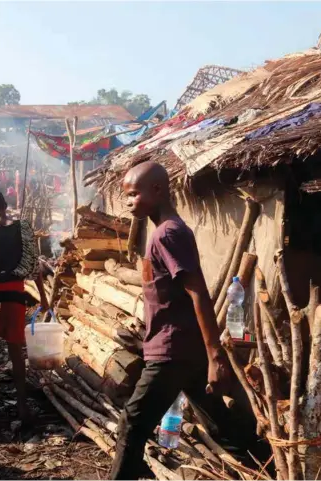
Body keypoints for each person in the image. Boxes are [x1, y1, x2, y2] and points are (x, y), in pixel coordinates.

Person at [110, 161, 232, 480]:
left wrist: (215, 354)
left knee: (132, 422)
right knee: (224, 427)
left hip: (173, 352)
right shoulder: (163, 232)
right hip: (181, 350)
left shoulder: (169, 233)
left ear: (158, 190)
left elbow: (198, 292)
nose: (127, 202)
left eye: (133, 194)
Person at [0, 191, 48, 420]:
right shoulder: (23, 229)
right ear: (6, 206)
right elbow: (35, 267)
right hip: (16, 297)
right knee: (16, 350)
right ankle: (22, 403)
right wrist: (44, 299)